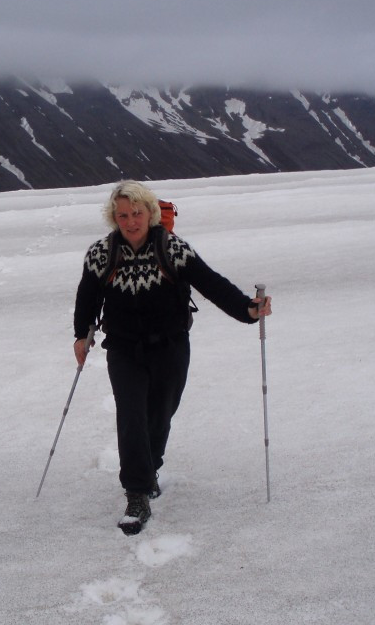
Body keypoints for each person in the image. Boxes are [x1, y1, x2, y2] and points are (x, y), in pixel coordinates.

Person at [73, 180, 272, 534]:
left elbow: (211, 284)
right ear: (113, 218)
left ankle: (150, 469)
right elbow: (86, 298)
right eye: (123, 215)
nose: (131, 221)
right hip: (123, 349)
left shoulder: (173, 249)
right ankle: (136, 493)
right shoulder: (101, 254)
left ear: (150, 213)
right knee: (131, 416)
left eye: (137, 213)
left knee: (160, 416)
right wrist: (81, 334)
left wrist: (247, 309)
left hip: (171, 346)